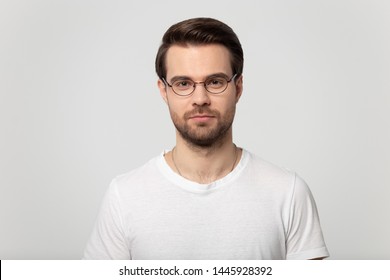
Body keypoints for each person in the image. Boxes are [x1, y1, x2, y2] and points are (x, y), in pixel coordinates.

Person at [83, 17, 329, 260]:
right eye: (183, 83)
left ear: (238, 87)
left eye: (215, 82)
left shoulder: (287, 192)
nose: (200, 98)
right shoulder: (124, 196)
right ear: (163, 90)